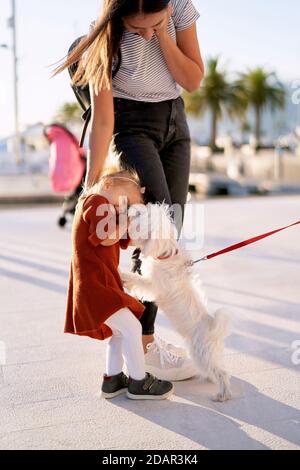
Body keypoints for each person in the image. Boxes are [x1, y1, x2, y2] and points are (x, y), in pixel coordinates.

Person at [55, 0, 204, 381]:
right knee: (154, 231)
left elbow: (192, 79)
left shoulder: (180, 8)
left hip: (175, 122)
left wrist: (162, 35)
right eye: (137, 28)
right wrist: (90, 188)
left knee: (171, 227)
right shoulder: (104, 35)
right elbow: (103, 121)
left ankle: (146, 340)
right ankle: (145, 344)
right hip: (132, 126)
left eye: (152, 23)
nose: (144, 32)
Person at [65, 168, 174, 400]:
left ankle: (112, 380)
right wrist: (126, 216)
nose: (124, 209)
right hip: (95, 286)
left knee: (120, 332)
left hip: (99, 285)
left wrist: (157, 237)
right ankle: (138, 381)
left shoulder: (103, 209)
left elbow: (126, 238)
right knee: (132, 328)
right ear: (107, 186)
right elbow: (107, 236)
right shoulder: (93, 201)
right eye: (125, 202)